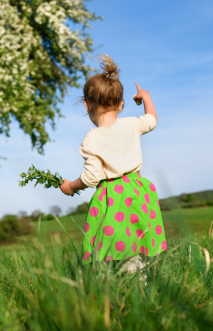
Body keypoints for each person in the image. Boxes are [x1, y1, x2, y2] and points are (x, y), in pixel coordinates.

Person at [59, 54, 167, 267]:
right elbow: (152, 120)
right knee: (138, 244)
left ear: (87, 106)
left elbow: (92, 177)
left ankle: (127, 292)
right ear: (121, 105)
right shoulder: (131, 124)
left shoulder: (92, 139)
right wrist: (145, 97)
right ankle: (141, 285)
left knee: (118, 251)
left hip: (113, 198)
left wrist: (71, 186)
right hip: (138, 191)